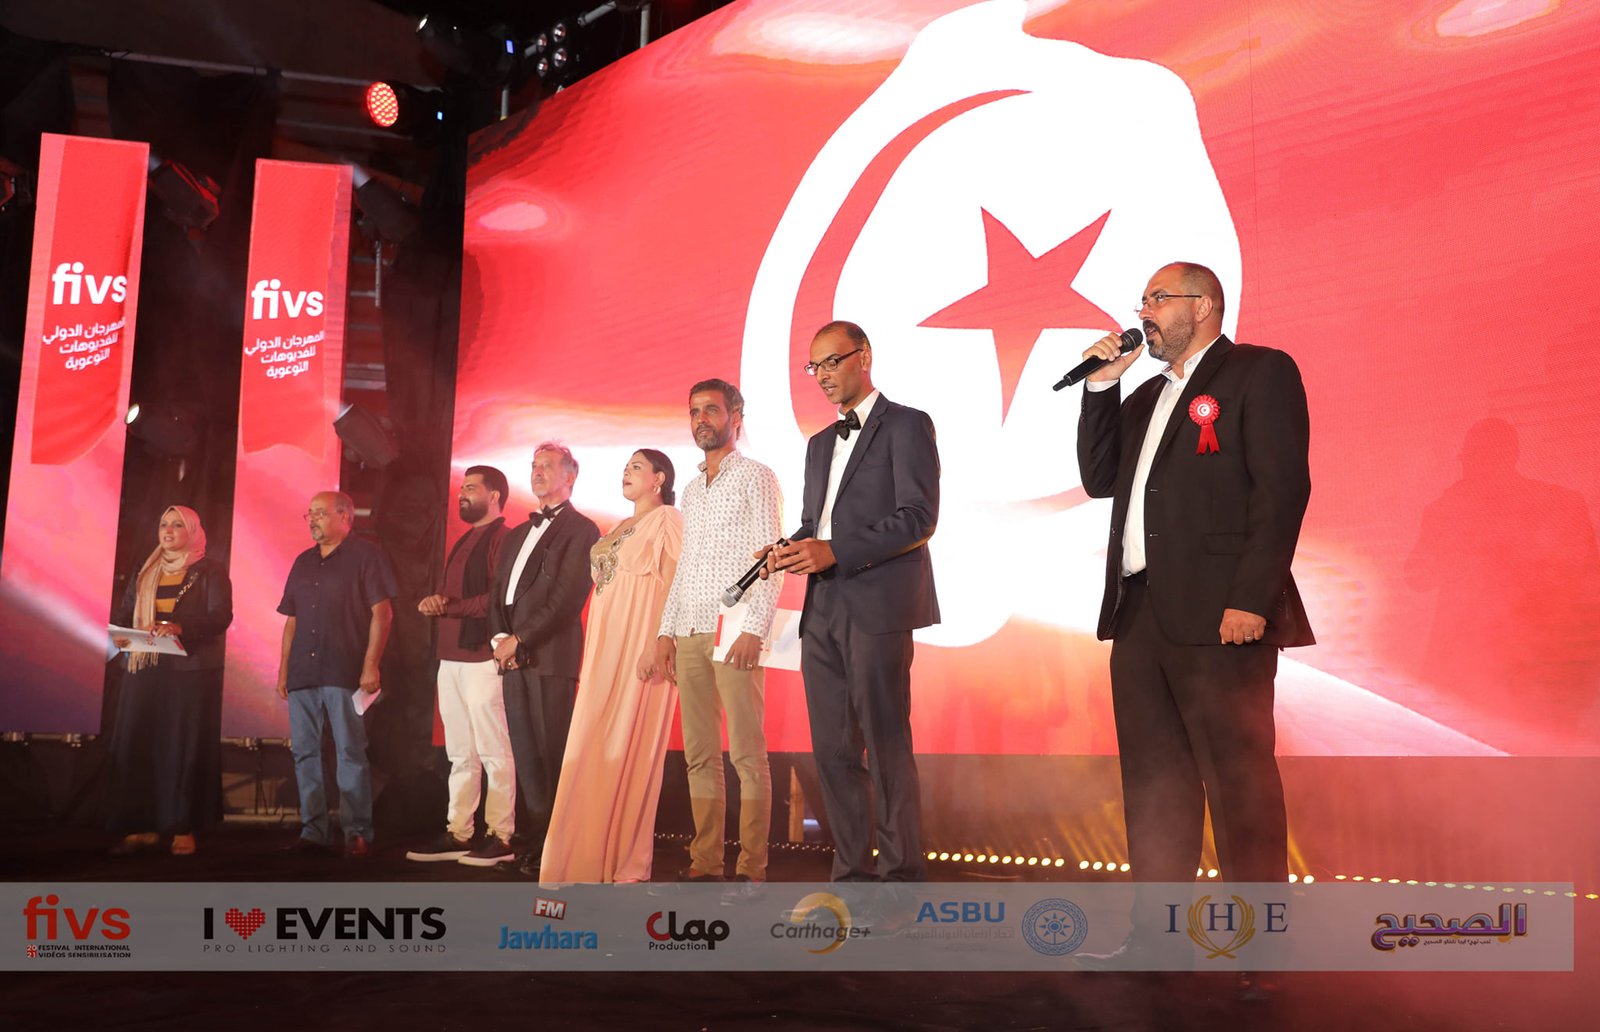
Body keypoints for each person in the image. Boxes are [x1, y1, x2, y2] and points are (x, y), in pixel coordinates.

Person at [1075, 262, 1313, 911]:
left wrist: (1251, 598)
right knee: (1154, 784)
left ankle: (1260, 940)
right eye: (1142, 301)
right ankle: (1159, 936)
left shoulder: (1259, 372)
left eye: (1157, 299)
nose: (1142, 312)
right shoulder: (1145, 398)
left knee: (1239, 784)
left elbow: (1282, 491)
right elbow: (1099, 478)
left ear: (1203, 305)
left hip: (1221, 615)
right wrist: (1100, 387)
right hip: (1139, 613)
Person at [766, 320, 940, 882]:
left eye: (831, 362)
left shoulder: (907, 424)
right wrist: (788, 548)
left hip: (878, 606)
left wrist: (835, 551)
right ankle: (851, 879)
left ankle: (900, 880)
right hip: (822, 610)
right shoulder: (819, 444)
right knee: (833, 752)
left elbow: (918, 518)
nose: (821, 375)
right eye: (813, 366)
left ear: (863, 357)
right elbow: (816, 524)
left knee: (886, 747)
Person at [654, 379, 783, 883]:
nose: (701, 419)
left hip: (734, 629)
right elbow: (685, 566)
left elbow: (771, 559)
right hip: (689, 629)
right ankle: (705, 863)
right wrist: (665, 632)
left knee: (747, 755)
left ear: (736, 417)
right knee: (700, 756)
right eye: (694, 411)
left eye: (711, 409)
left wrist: (755, 628)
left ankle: (752, 869)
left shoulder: (756, 476)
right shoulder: (690, 490)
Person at [540, 449, 683, 882]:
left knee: (627, 741)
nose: (626, 472)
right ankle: (580, 857)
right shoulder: (617, 527)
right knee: (591, 739)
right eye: (625, 467)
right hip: (604, 645)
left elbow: (673, 582)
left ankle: (622, 860)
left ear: (659, 479)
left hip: (640, 642)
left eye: (637, 467)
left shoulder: (668, 520)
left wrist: (659, 641)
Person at [488, 442, 601, 875]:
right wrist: (502, 639)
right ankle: (535, 845)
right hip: (513, 658)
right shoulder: (516, 533)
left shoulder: (581, 529)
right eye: (534, 466)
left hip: (550, 658)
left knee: (553, 756)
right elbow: (499, 594)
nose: (537, 472)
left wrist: (520, 640)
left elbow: (567, 598)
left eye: (547, 466)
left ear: (570, 476)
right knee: (527, 757)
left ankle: (559, 850)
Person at [406, 465, 518, 867]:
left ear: (495, 495)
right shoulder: (465, 539)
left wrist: (449, 607)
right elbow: (453, 597)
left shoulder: (504, 538)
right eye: (462, 488)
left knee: (493, 750)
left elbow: (497, 599)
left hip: (483, 657)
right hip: (450, 657)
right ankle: (459, 831)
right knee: (460, 752)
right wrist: (435, 602)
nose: (462, 494)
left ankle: (501, 835)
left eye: (471, 488)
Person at [276, 491, 398, 857]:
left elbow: (382, 613)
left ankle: (356, 831)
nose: (312, 519)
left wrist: (371, 664)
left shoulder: (366, 556)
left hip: (344, 670)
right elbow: (292, 621)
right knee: (304, 752)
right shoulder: (303, 562)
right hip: (303, 672)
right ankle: (313, 831)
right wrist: (283, 669)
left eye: (320, 513)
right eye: (309, 513)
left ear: (345, 516)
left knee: (349, 751)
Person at [107, 505, 232, 856]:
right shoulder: (145, 569)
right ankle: (142, 824)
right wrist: (123, 632)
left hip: (187, 673)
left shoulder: (209, 570)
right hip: (143, 668)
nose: (168, 530)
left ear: (192, 531)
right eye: (164, 524)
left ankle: (182, 827)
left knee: (181, 747)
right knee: (139, 742)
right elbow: (124, 612)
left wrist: (180, 627)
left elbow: (220, 616)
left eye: (177, 525)